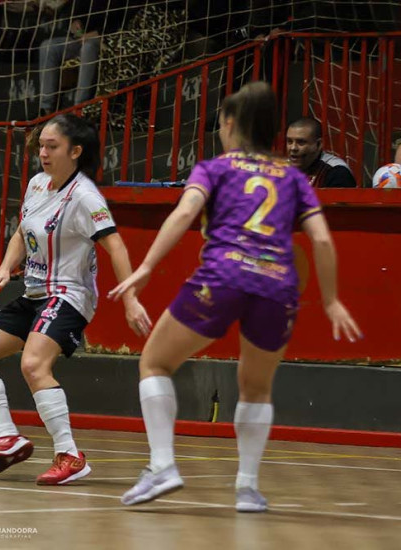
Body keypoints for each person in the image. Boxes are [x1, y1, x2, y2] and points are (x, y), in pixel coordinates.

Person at [108, 82, 361, 512]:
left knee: (155, 362)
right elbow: (321, 241)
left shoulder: (215, 168)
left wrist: (147, 267)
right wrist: (332, 300)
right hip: (277, 287)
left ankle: (163, 465)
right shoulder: (295, 177)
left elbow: (184, 213)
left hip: (223, 276)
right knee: (257, 388)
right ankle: (247, 488)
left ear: (231, 124)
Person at [0, 114, 147, 485]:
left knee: (33, 365)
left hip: (69, 295)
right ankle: (8, 438)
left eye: (52, 146)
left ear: (75, 151)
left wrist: (130, 300)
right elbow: (21, 232)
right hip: (33, 293)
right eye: (41, 146)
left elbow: (117, 246)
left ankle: (70, 455)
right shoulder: (37, 185)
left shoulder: (85, 197)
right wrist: (4, 268)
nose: (43, 153)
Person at [286, 117, 357, 188]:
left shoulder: (337, 172)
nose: (293, 148)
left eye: (301, 142)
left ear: (319, 144)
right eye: (289, 142)